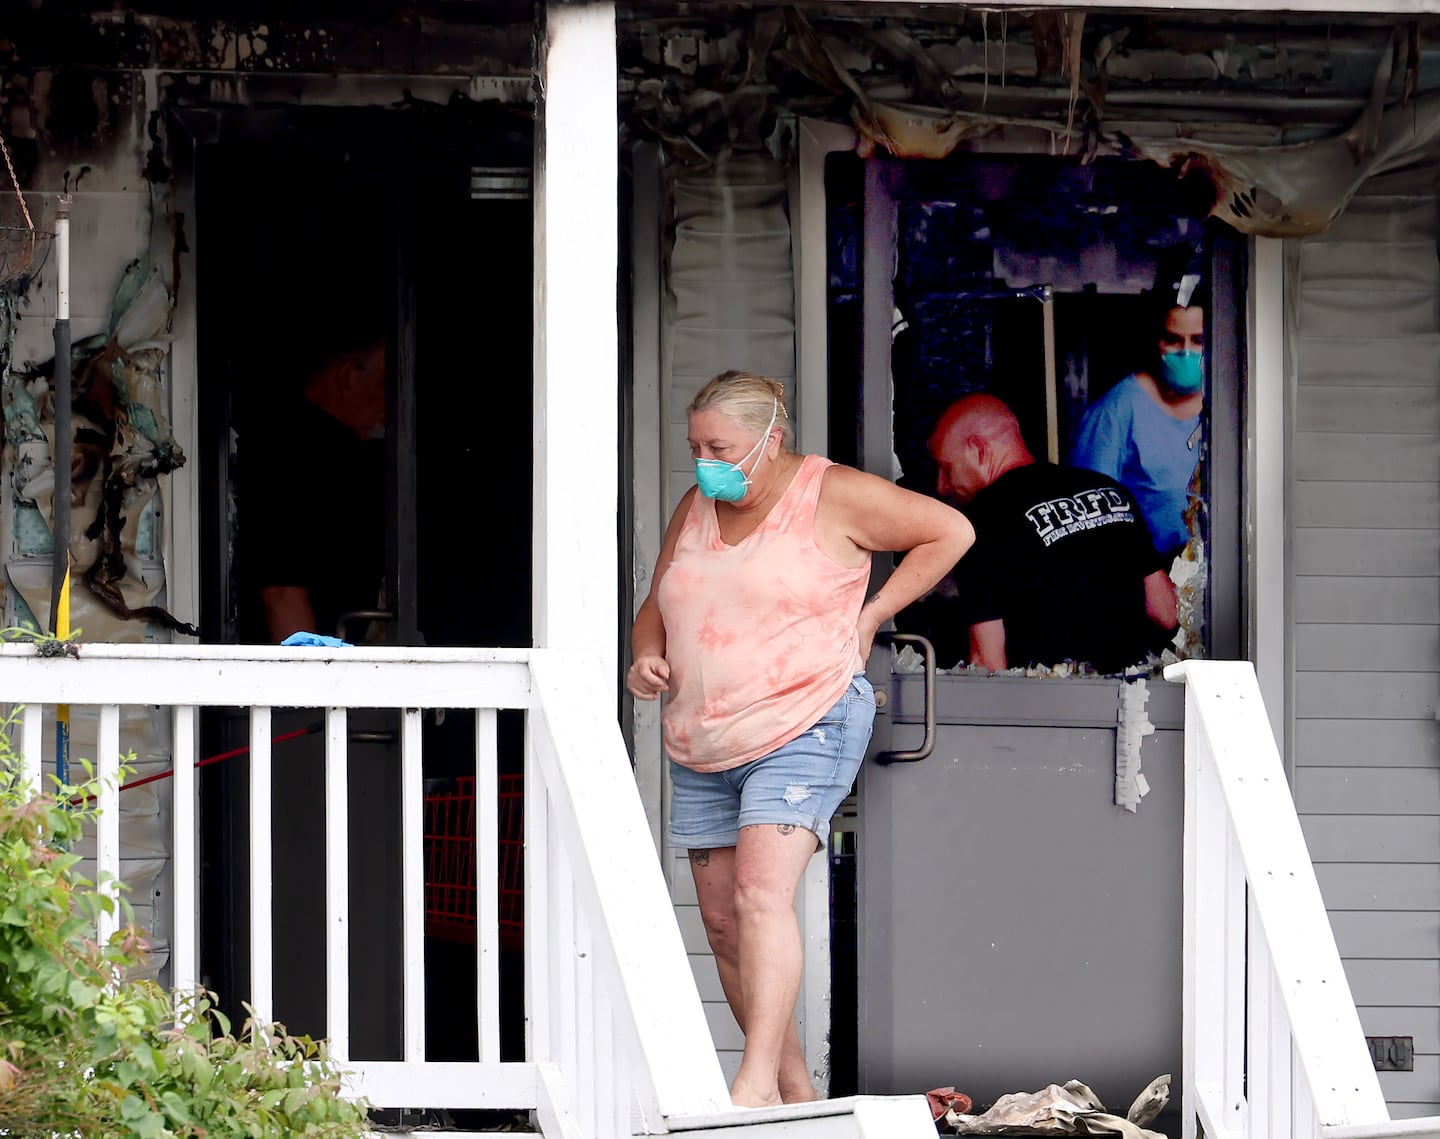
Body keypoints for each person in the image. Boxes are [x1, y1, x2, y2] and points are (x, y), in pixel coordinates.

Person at [627, 370, 973, 1108]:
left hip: (804, 719)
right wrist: (645, 654)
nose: (702, 460)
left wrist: (874, 612)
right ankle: (793, 1092)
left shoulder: (833, 492)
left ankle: (750, 1088)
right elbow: (655, 603)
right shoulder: (698, 504)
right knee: (722, 924)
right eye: (695, 445)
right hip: (704, 738)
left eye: (718, 445)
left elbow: (952, 530)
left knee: (759, 895)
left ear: (770, 440)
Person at [930, 393, 1177, 673]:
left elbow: (989, 666)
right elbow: (1165, 612)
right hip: (1131, 700)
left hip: (1051, 705)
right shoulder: (1108, 490)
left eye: (945, 468)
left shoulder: (977, 524)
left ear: (978, 449)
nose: (942, 486)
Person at [249, 338, 387, 643]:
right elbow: (283, 590)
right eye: (386, 385)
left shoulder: (330, 448)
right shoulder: (295, 450)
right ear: (350, 376)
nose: (391, 407)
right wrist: (313, 679)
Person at [1068, 300, 1205, 560]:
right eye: (1174, 340)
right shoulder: (1115, 411)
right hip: (1146, 573)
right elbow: (1089, 516)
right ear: (1157, 342)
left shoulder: (1229, 406)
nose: (1186, 352)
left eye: (1198, 340)